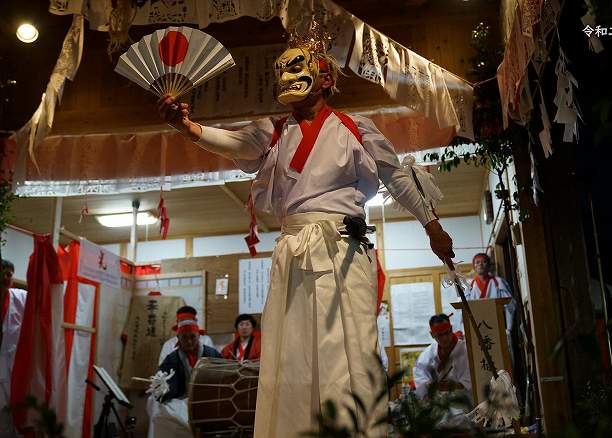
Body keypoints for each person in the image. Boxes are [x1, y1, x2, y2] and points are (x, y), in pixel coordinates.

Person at [158, 25, 455, 438]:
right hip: (293, 248)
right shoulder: (274, 132)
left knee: (350, 344)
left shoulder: (356, 127)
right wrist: (190, 128)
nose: (285, 79)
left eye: (296, 68)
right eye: (280, 71)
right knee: (291, 350)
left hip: (343, 247)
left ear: (325, 77)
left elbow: (396, 176)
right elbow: (237, 143)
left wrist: (432, 224)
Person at [147, 311, 221, 437]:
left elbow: (223, 376)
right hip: (181, 399)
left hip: (208, 399)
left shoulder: (211, 354)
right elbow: (163, 379)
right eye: (184, 338)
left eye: (192, 337)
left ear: (198, 336)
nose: (189, 341)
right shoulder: (172, 358)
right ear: (178, 338)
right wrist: (162, 388)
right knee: (161, 411)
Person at [413, 314, 471, 401]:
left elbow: (471, 380)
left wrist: (454, 385)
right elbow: (420, 378)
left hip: (464, 403)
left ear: (451, 329)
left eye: (447, 333)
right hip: (440, 407)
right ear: (432, 334)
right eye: (439, 335)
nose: (444, 338)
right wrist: (428, 384)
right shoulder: (427, 354)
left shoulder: (467, 350)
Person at [0, 260, 26, 437]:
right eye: (3, 273)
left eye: (10, 274)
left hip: (12, 370)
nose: (6, 277)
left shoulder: (20, 298)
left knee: (11, 417)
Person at [466, 253, 517, 336]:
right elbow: (463, 309)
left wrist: (508, 328)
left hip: (498, 324)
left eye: (484, 262)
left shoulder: (498, 282)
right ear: (474, 266)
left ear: (489, 265)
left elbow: (510, 304)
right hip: (477, 326)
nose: (480, 265)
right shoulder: (469, 285)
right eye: (477, 262)